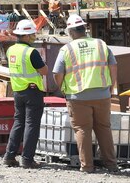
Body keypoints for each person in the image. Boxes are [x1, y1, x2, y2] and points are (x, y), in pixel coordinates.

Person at [53, 14, 120, 174]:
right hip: (102, 94)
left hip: (78, 96)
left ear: (71, 31)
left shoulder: (67, 49)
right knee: (104, 128)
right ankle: (111, 165)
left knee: (82, 130)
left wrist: (62, 87)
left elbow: (57, 73)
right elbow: (113, 66)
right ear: (84, 29)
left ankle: (87, 167)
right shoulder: (100, 44)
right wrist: (111, 87)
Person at [3, 19, 46, 170]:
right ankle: (27, 159)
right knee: (31, 124)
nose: (34, 36)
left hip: (18, 91)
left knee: (18, 123)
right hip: (32, 92)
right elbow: (44, 71)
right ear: (26, 36)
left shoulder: (10, 50)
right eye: (32, 34)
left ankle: (9, 156)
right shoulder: (31, 52)